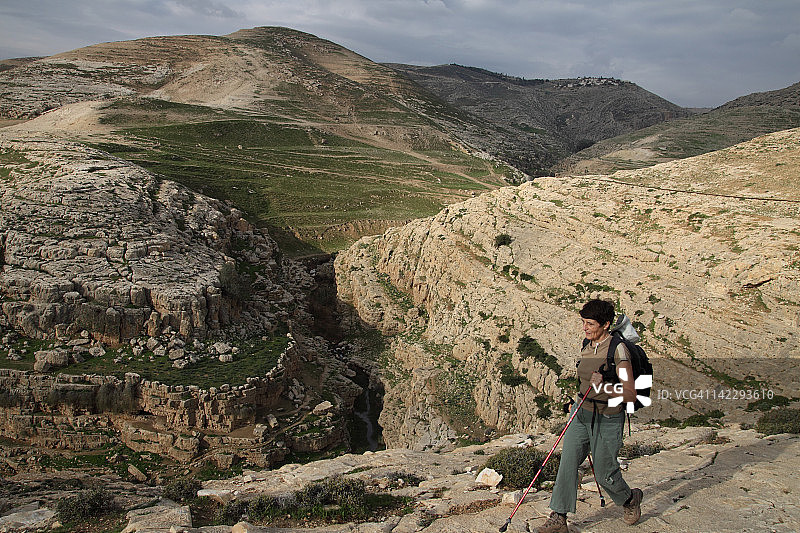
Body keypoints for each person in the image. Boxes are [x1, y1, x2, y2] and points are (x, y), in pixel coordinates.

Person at [534, 299, 643, 533]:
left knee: (605, 474)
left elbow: (631, 394)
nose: (585, 327)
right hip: (581, 413)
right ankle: (559, 517)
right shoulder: (588, 344)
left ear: (605, 324)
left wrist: (604, 387)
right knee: (568, 463)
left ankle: (629, 499)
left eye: (590, 323)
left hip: (608, 418)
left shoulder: (618, 350)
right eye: (583, 322)